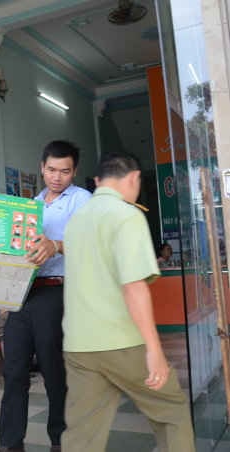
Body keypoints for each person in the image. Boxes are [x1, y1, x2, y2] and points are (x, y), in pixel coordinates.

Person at [62, 152, 194, 451]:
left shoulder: (76, 219)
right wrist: (155, 350)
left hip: (79, 344)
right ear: (133, 178)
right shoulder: (126, 215)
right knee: (171, 411)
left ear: (98, 181)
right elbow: (134, 286)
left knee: (82, 434)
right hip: (122, 341)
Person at [0, 140, 91, 452]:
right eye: (51, 170)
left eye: (65, 171)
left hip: (58, 291)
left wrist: (58, 245)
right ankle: (10, 444)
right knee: (13, 370)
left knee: (54, 371)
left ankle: (61, 441)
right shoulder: (31, 205)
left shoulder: (82, 200)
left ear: (74, 171)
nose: (57, 177)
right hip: (24, 294)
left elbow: (93, 243)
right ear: (42, 167)